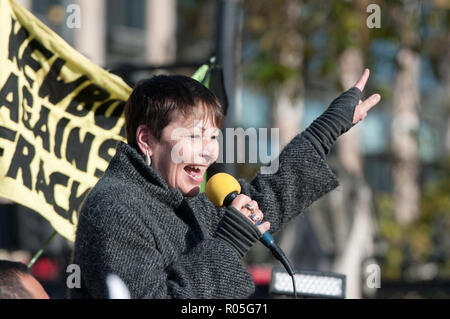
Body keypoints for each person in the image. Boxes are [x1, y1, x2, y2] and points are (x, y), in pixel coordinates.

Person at [69, 70, 380, 298]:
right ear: (146, 140)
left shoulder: (183, 201)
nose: (208, 151)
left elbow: (265, 198)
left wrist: (326, 130)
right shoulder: (115, 210)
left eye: (213, 137)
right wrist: (229, 243)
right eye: (193, 136)